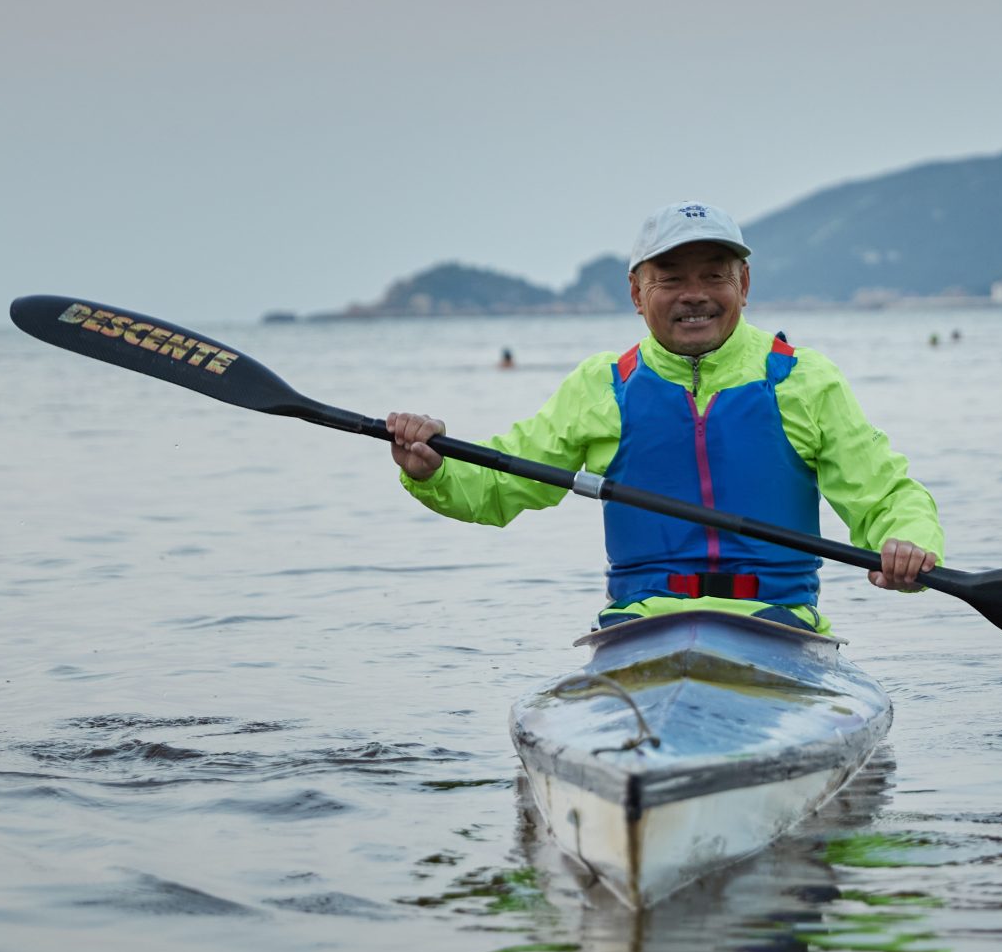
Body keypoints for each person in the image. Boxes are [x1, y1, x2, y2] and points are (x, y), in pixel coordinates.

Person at [385, 202, 943, 634]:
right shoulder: (602, 385)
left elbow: (887, 494)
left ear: (743, 285)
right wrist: (432, 469)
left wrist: (906, 542)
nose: (694, 296)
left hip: (779, 625)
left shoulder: (804, 380)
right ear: (637, 292)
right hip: (637, 627)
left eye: (714, 277)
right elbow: (501, 482)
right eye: (671, 278)